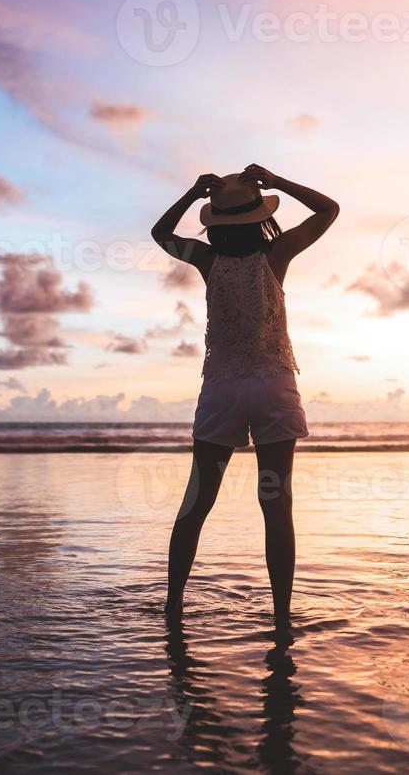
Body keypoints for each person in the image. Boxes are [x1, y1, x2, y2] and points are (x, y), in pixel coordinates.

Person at [150, 163, 339, 628]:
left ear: (217, 223)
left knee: (198, 501)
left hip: (222, 390)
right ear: (259, 218)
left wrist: (193, 192)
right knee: (277, 504)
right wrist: (278, 182)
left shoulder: (206, 261)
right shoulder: (277, 255)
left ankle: (172, 606)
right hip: (274, 386)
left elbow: (160, 233)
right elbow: (329, 209)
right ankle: (281, 616)